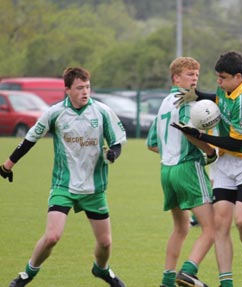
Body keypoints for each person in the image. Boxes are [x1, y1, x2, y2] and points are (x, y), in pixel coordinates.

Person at [0, 67, 127, 287]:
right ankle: (26, 275)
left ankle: (102, 270)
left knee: (105, 243)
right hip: (64, 186)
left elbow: (117, 141)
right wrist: (8, 165)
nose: (85, 92)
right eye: (79, 88)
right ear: (67, 89)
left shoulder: (102, 111)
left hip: (94, 188)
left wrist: (113, 154)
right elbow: (30, 140)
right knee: (52, 237)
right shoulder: (55, 113)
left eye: (87, 87)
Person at [172, 50, 242, 287]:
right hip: (225, 163)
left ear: (238, 77)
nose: (218, 82)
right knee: (221, 224)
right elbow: (218, 98)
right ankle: (227, 283)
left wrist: (200, 135)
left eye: (222, 78)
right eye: (217, 77)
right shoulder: (227, 89)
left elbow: (237, 142)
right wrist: (197, 95)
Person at [147, 56, 216, 287]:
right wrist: (210, 152)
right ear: (176, 77)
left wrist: (170, 153)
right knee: (211, 227)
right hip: (187, 168)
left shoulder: (165, 102)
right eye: (189, 74)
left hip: (166, 172)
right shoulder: (188, 103)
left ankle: (166, 281)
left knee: (181, 227)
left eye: (196, 74)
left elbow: (151, 143)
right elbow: (189, 132)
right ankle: (188, 271)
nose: (195, 78)